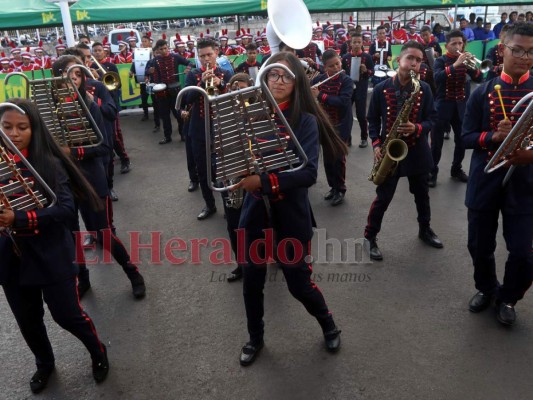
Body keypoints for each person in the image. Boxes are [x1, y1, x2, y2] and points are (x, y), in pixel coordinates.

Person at [233, 51, 346, 366]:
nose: (277, 81)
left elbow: (307, 173)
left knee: (299, 283)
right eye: (272, 75)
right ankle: (255, 338)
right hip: (255, 214)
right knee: (252, 280)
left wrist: (264, 182)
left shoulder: (306, 121)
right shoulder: (251, 115)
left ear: (297, 83)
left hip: (290, 215)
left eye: (285, 76)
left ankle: (328, 322)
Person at [0, 99, 109, 393]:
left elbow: (63, 210)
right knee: (28, 321)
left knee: (68, 315)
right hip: (11, 259)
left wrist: (18, 217)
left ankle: (98, 352)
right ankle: (44, 364)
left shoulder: (49, 163)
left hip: (50, 254)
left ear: (35, 129)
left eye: (22, 127)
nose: (14, 133)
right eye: (6, 127)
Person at [51, 56, 146, 299]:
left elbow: (105, 146)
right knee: (70, 236)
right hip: (63, 183)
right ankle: (83, 280)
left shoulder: (90, 104)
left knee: (102, 233)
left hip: (91, 179)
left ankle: (133, 272)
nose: (72, 80)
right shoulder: (49, 109)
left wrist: (73, 151)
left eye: (77, 75)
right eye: (66, 75)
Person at [462, 22, 533, 326]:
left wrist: (530, 154)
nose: (525, 57)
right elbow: (466, 137)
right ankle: (486, 288)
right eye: (517, 50)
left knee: (524, 252)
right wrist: (492, 137)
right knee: (479, 245)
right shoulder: (483, 92)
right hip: (486, 179)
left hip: (525, 183)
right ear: (503, 49)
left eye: (531, 52)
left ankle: (508, 296)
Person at [364, 41, 443, 261]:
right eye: (410, 58)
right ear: (398, 60)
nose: (414, 64)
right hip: (391, 151)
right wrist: (377, 144)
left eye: (419, 60)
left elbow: (433, 118)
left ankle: (424, 229)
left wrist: (417, 127)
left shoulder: (424, 88)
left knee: (422, 196)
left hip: (417, 151)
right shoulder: (381, 89)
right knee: (383, 197)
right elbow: (372, 120)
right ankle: (369, 237)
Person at [183, 39, 233, 220]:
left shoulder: (226, 73)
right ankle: (210, 205)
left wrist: (220, 84)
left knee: (224, 169)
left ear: (216, 53)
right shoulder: (193, 75)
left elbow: (234, 99)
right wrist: (201, 85)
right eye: (202, 56)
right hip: (198, 130)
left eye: (209, 55)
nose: (206, 59)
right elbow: (186, 100)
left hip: (222, 128)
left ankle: (229, 203)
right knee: (203, 170)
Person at [428, 30, 483, 187]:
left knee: (462, 141)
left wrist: (473, 66)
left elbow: (479, 78)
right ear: (447, 46)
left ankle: (456, 169)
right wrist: (456, 64)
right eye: (454, 44)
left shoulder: (466, 61)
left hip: (461, 107)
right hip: (442, 105)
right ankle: (432, 171)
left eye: (460, 43)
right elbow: (437, 78)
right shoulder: (441, 60)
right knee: (436, 142)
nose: (458, 46)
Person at [311, 50, 353, 206]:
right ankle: (332, 187)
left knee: (338, 159)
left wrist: (320, 95)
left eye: (338, 64)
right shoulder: (319, 79)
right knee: (328, 159)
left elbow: (342, 101)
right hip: (325, 125)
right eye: (332, 66)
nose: (336, 68)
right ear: (324, 67)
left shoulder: (346, 81)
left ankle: (340, 189)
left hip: (341, 125)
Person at [150, 38, 193, 144]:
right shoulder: (155, 60)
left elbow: (190, 63)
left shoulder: (175, 57)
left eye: (165, 48)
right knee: (165, 116)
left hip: (175, 90)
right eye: (161, 49)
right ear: (158, 50)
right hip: (162, 92)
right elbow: (148, 69)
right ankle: (167, 137)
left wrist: (188, 68)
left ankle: (182, 134)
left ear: (168, 47)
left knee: (178, 113)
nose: (164, 51)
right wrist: (149, 71)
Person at [341, 33, 374, 148]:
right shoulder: (345, 58)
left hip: (361, 90)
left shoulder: (367, 57)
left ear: (362, 43)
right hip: (348, 91)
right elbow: (342, 74)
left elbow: (372, 73)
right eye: (354, 42)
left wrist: (366, 71)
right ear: (350, 43)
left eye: (359, 42)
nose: (356, 44)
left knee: (361, 115)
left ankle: (364, 138)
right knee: (347, 115)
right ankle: (347, 139)